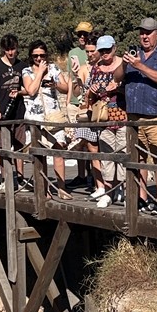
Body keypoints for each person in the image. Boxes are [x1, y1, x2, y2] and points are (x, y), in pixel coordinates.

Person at [122, 17, 157, 212]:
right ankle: (142, 197)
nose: (144, 36)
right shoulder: (134, 54)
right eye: (142, 33)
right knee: (138, 158)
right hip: (134, 116)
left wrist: (140, 66)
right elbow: (118, 77)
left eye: (148, 33)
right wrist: (124, 64)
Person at [22, 40, 73, 198]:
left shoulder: (54, 68)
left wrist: (55, 84)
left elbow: (66, 88)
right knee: (40, 153)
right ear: (31, 56)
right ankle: (44, 188)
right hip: (35, 117)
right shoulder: (26, 71)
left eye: (42, 55)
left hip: (53, 116)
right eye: (35, 56)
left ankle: (62, 188)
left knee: (58, 149)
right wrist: (39, 73)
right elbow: (31, 91)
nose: (39, 58)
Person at [83, 35, 126, 208]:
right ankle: (108, 192)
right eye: (102, 51)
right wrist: (92, 91)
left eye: (108, 49)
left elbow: (132, 89)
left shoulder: (124, 64)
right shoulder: (96, 68)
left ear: (114, 48)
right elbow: (88, 95)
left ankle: (123, 189)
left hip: (122, 115)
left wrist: (118, 88)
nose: (105, 53)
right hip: (104, 117)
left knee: (123, 154)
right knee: (106, 156)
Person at [0, 34, 25, 188]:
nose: (10, 52)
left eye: (12, 49)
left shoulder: (22, 66)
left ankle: (20, 178)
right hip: (1, 114)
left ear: (17, 48)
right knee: (3, 147)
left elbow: (28, 88)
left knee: (19, 146)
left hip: (18, 112)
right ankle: (5, 177)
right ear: (3, 50)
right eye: (7, 49)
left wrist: (19, 92)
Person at [64, 21, 94, 188]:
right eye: (80, 34)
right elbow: (71, 78)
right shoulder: (73, 53)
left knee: (91, 140)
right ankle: (81, 174)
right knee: (78, 141)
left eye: (85, 34)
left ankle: (93, 174)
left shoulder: (95, 50)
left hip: (89, 101)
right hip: (76, 100)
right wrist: (68, 100)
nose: (82, 37)